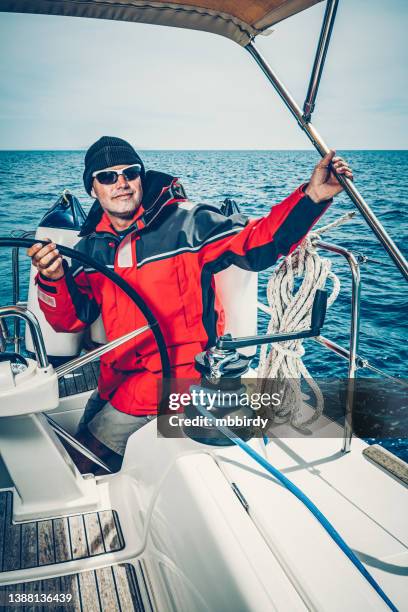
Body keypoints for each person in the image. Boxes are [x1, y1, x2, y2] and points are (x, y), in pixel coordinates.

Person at [27, 136, 353, 471]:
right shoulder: (89, 247)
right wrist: (52, 278)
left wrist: (312, 197)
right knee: (75, 441)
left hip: (177, 378)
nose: (121, 183)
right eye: (107, 177)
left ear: (142, 176)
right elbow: (70, 321)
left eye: (130, 172)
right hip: (116, 377)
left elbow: (259, 243)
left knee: (79, 464)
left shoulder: (189, 222)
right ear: (92, 189)